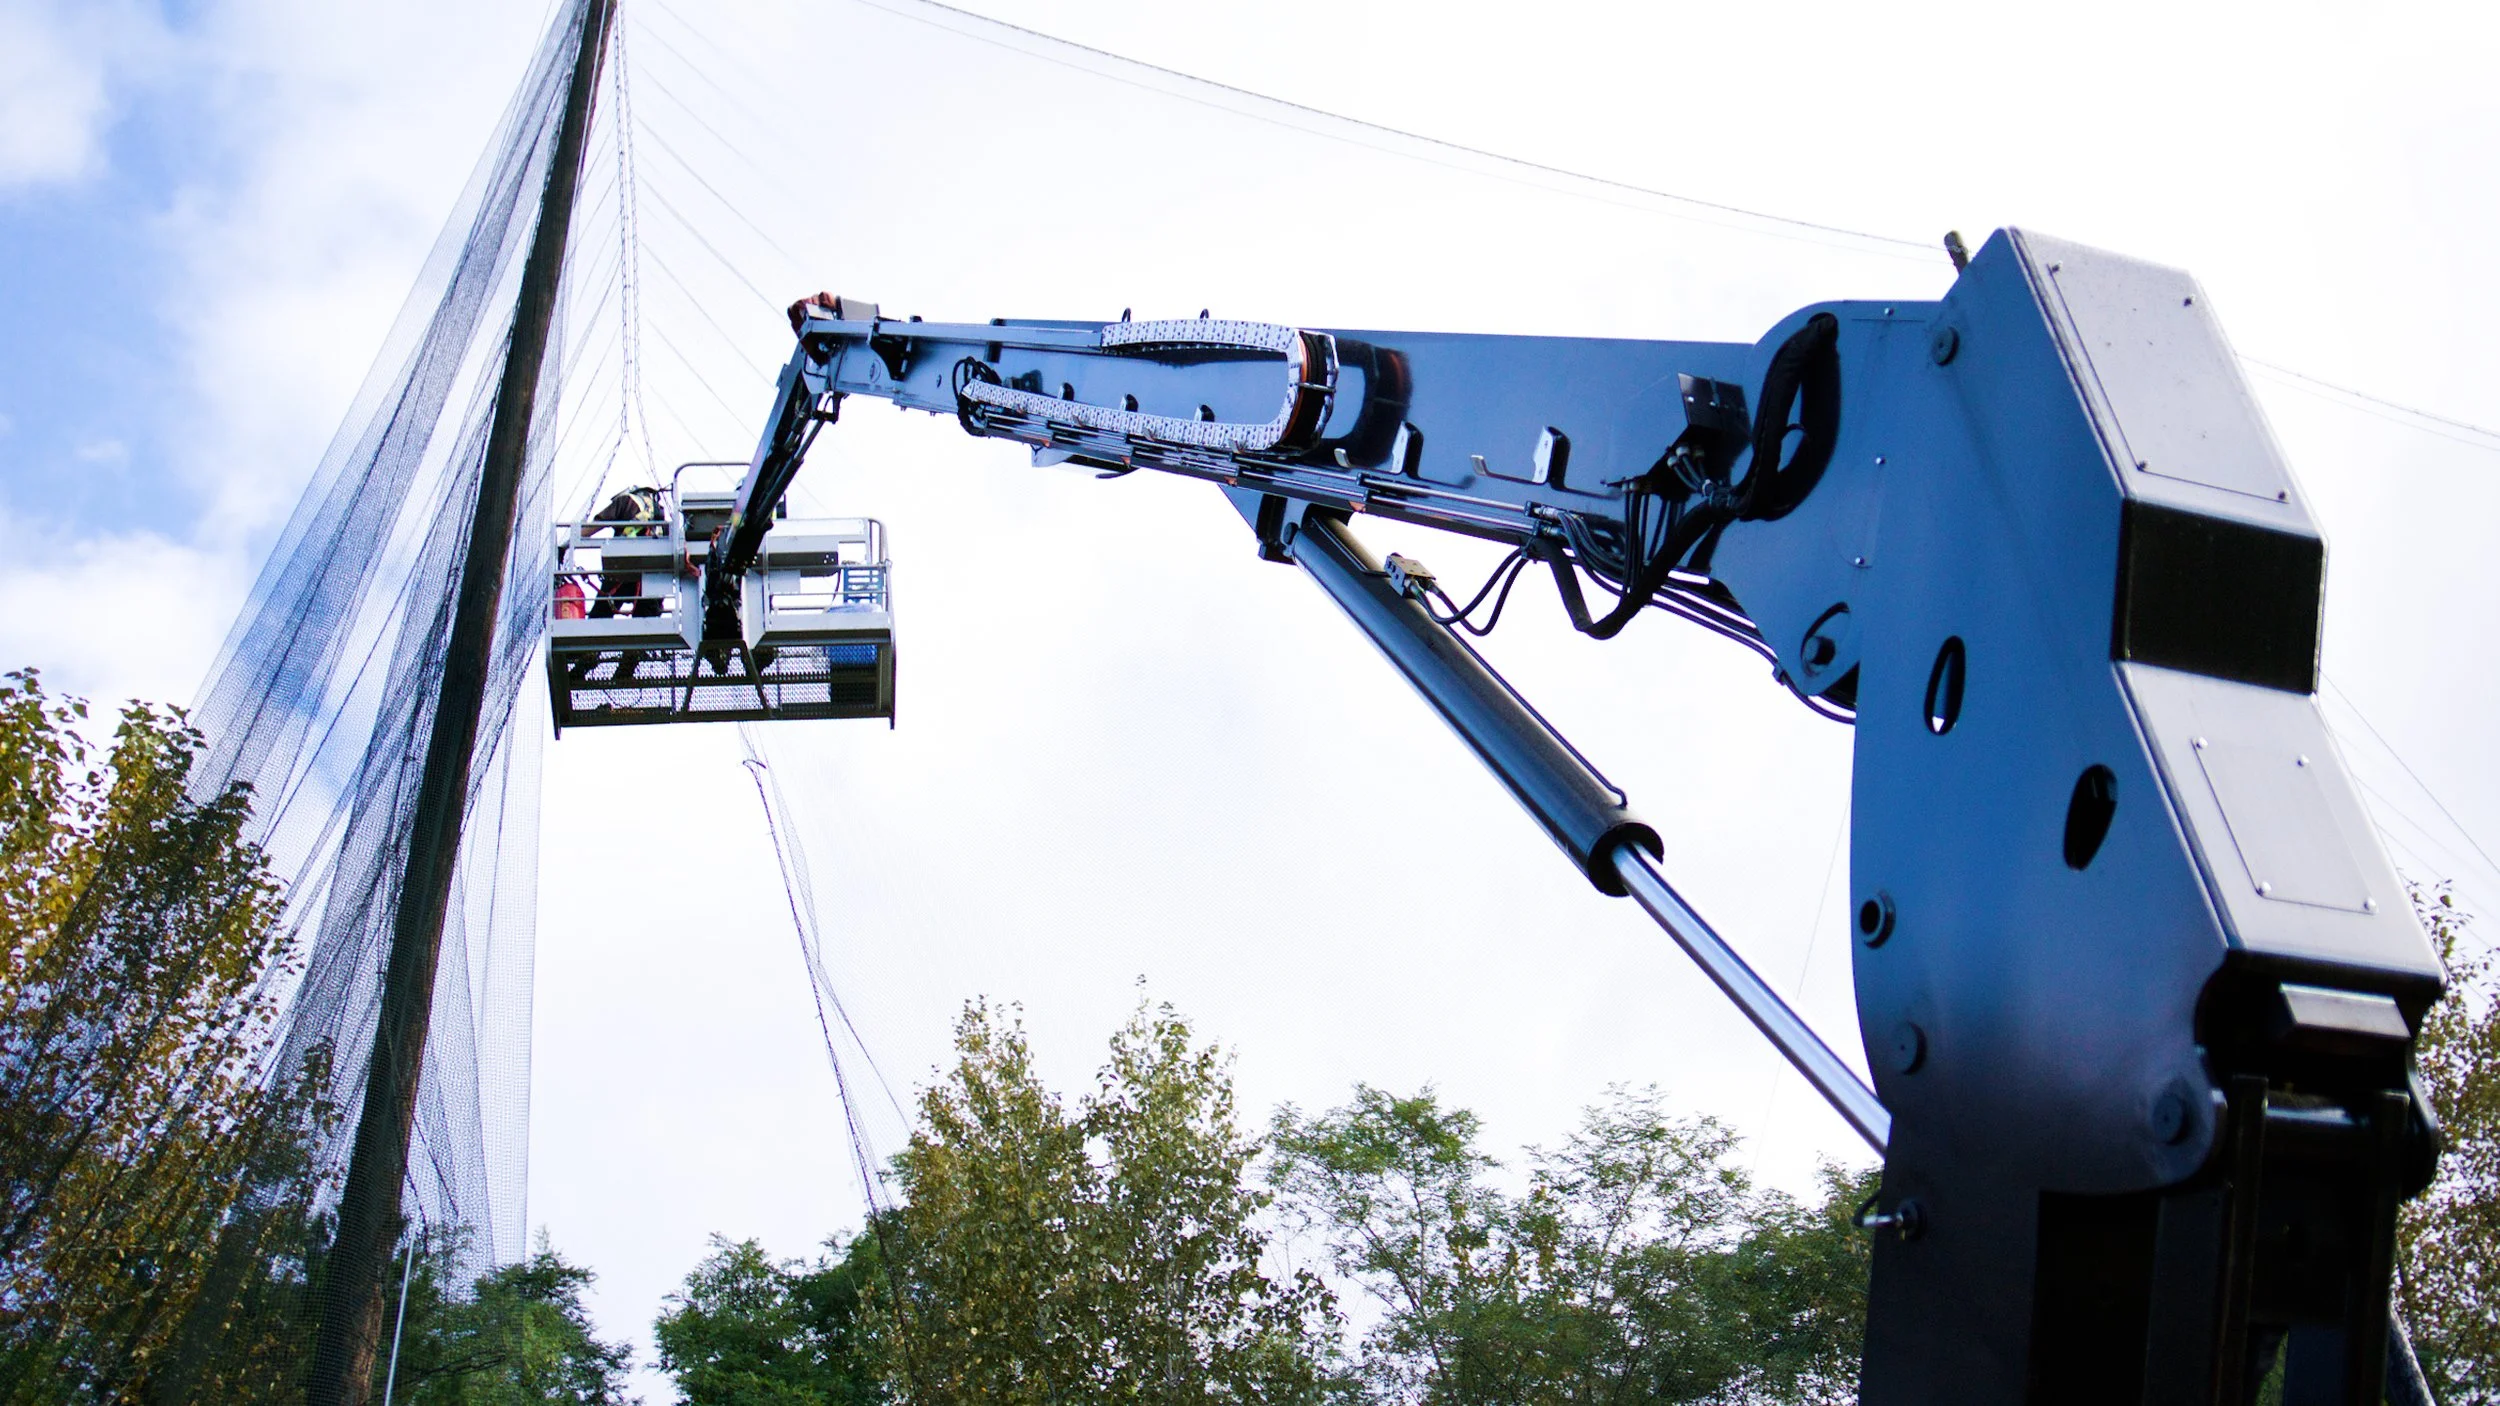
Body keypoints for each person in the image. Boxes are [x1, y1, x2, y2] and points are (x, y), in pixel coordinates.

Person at [585, 485, 664, 620]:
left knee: (599, 617)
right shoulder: (660, 516)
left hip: (621, 571)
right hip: (651, 578)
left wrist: (567, 545)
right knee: (647, 625)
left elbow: (595, 525)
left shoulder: (627, 500)